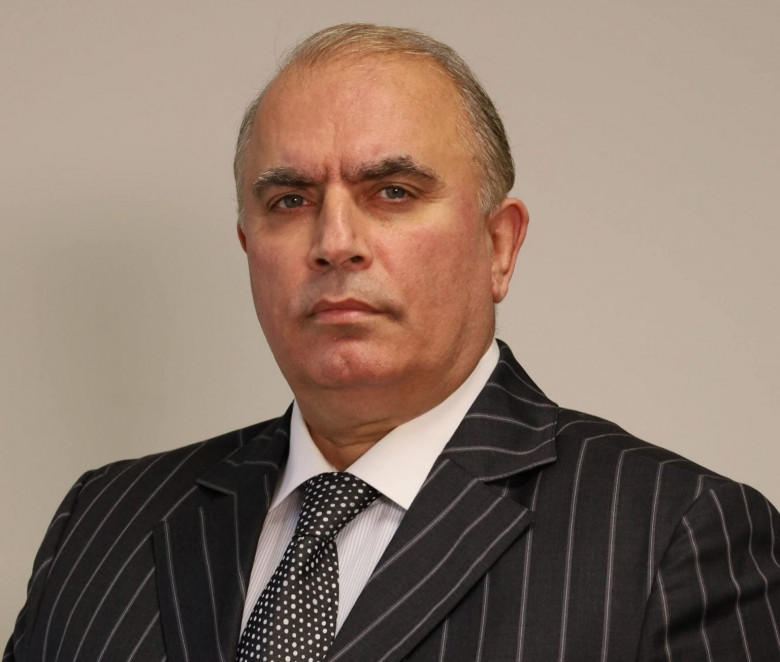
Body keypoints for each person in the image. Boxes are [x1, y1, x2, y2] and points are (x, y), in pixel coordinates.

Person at [6, 23, 780, 662]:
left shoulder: (673, 533)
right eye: (290, 200)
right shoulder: (102, 523)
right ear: (249, 248)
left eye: (393, 192)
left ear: (499, 246)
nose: (334, 242)